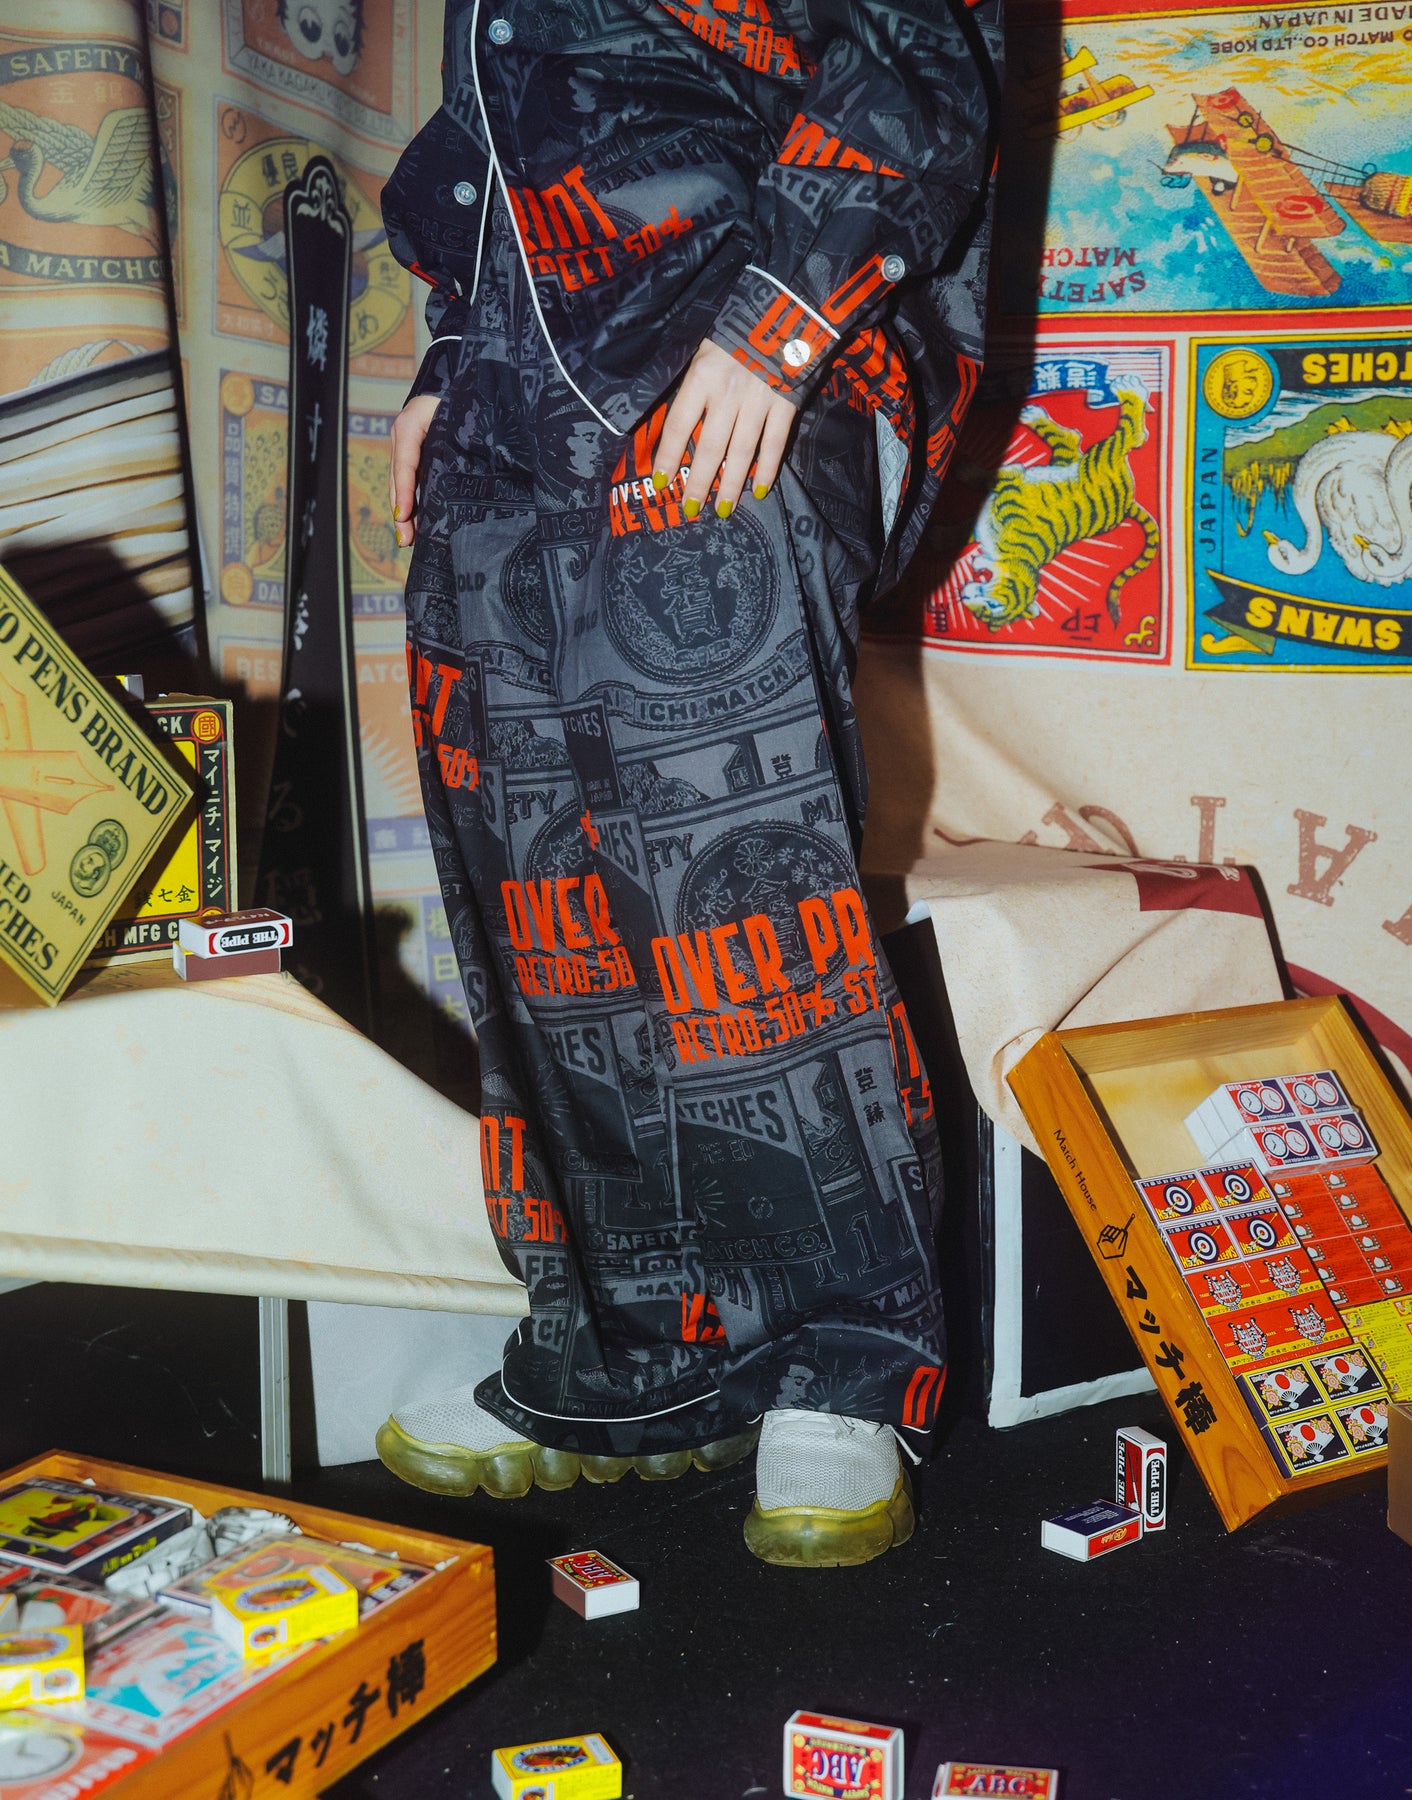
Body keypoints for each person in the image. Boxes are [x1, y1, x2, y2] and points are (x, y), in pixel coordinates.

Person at [377, 0, 1002, 1566]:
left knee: (743, 886)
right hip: (512, 393)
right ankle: (623, 1357)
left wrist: (787, 316)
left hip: (726, 342)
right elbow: (503, 119)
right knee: (541, 903)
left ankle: (844, 1358)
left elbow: (917, 54)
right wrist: (450, 356)